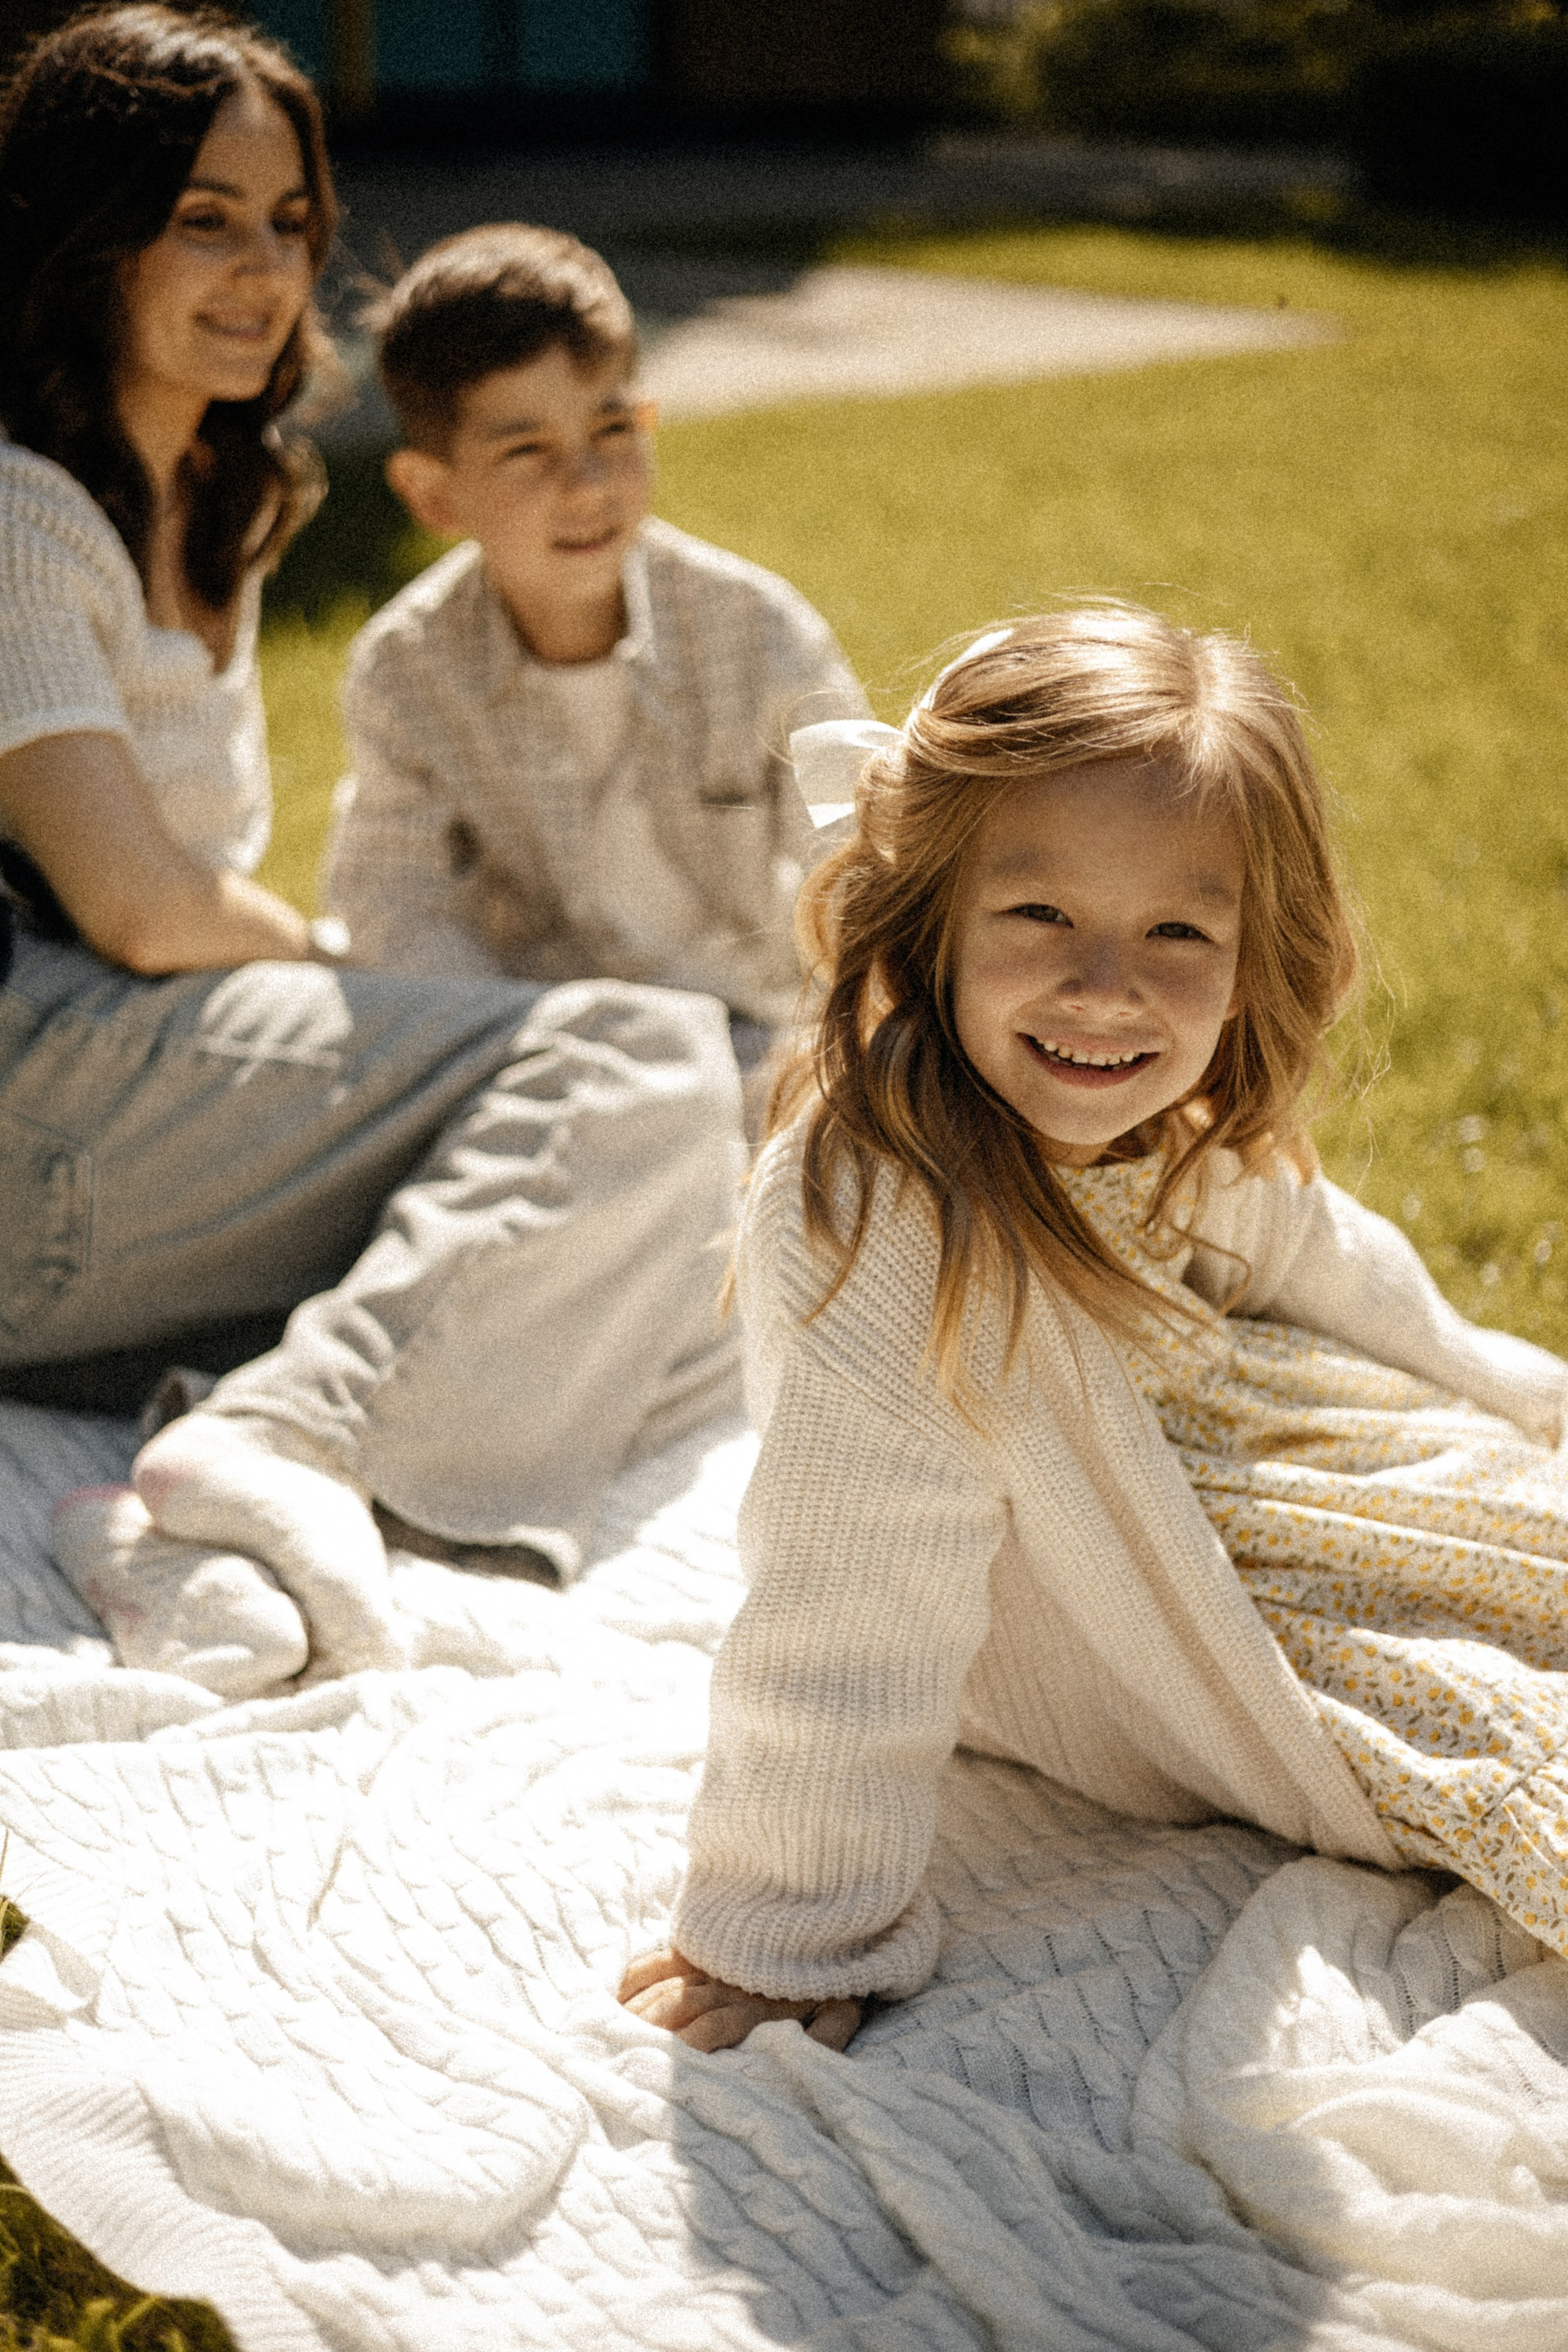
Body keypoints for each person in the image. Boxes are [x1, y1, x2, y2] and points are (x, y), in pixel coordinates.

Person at [619, 604, 1568, 2054]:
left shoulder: (1166, 1126)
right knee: (1475, 1713)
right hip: (1107, 1581)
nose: (1103, 986)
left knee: (1520, 1517)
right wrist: (790, 1923)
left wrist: (1512, 1392)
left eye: (1173, 932)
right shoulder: (878, 1210)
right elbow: (848, 1581)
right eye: (1038, 916)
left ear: (1251, 953)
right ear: (926, 913)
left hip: (1256, 1448)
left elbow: (1330, 1268)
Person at [0, 4, 747, 1700]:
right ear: (77, 229)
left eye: (289, 222)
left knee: (635, 1220)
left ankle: (183, 1520)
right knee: (635, 1060)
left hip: (105, 1151)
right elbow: (140, 902)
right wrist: (350, 989)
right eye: (205, 217)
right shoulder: (23, 512)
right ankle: (279, 1452)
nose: (266, 267)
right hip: (32, 1085)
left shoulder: (208, 487)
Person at [321, 221, 869, 1059]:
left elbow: (861, 853)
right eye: (527, 450)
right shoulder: (406, 672)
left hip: (750, 1035)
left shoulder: (761, 633)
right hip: (542, 1042)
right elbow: (393, 901)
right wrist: (520, 1037)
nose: (587, 484)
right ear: (434, 495)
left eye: (613, 430)